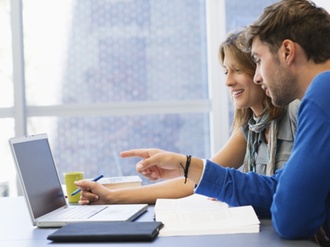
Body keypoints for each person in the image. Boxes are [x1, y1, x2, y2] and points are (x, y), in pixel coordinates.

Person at [117, 0, 330, 245]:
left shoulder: (322, 93)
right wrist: (186, 165)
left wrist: (293, 205)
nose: (258, 76)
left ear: (287, 52)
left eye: (258, 60)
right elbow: (276, 189)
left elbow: (291, 219)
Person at [75, 30, 299, 205]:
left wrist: (182, 164)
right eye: (225, 71)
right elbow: (198, 180)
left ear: (259, 70)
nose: (228, 81)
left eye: (237, 70)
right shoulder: (249, 129)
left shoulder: (295, 113)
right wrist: (112, 196)